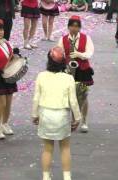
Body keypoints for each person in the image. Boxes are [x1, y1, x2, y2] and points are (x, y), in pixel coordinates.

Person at [32, 47, 81, 180]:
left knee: (47, 148)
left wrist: (34, 114)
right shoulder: (68, 78)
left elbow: (36, 97)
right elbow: (73, 101)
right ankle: (67, 176)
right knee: (65, 147)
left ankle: (46, 177)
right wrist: (77, 118)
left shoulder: (41, 76)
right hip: (62, 116)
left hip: (45, 114)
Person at [57, 15, 94, 133]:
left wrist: (78, 54)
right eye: (72, 26)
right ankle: (72, 120)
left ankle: (84, 121)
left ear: (79, 28)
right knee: (68, 96)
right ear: (68, 27)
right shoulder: (63, 39)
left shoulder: (86, 38)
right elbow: (58, 53)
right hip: (68, 69)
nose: (74, 28)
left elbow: (89, 53)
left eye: (76, 26)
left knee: (83, 96)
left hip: (83, 69)